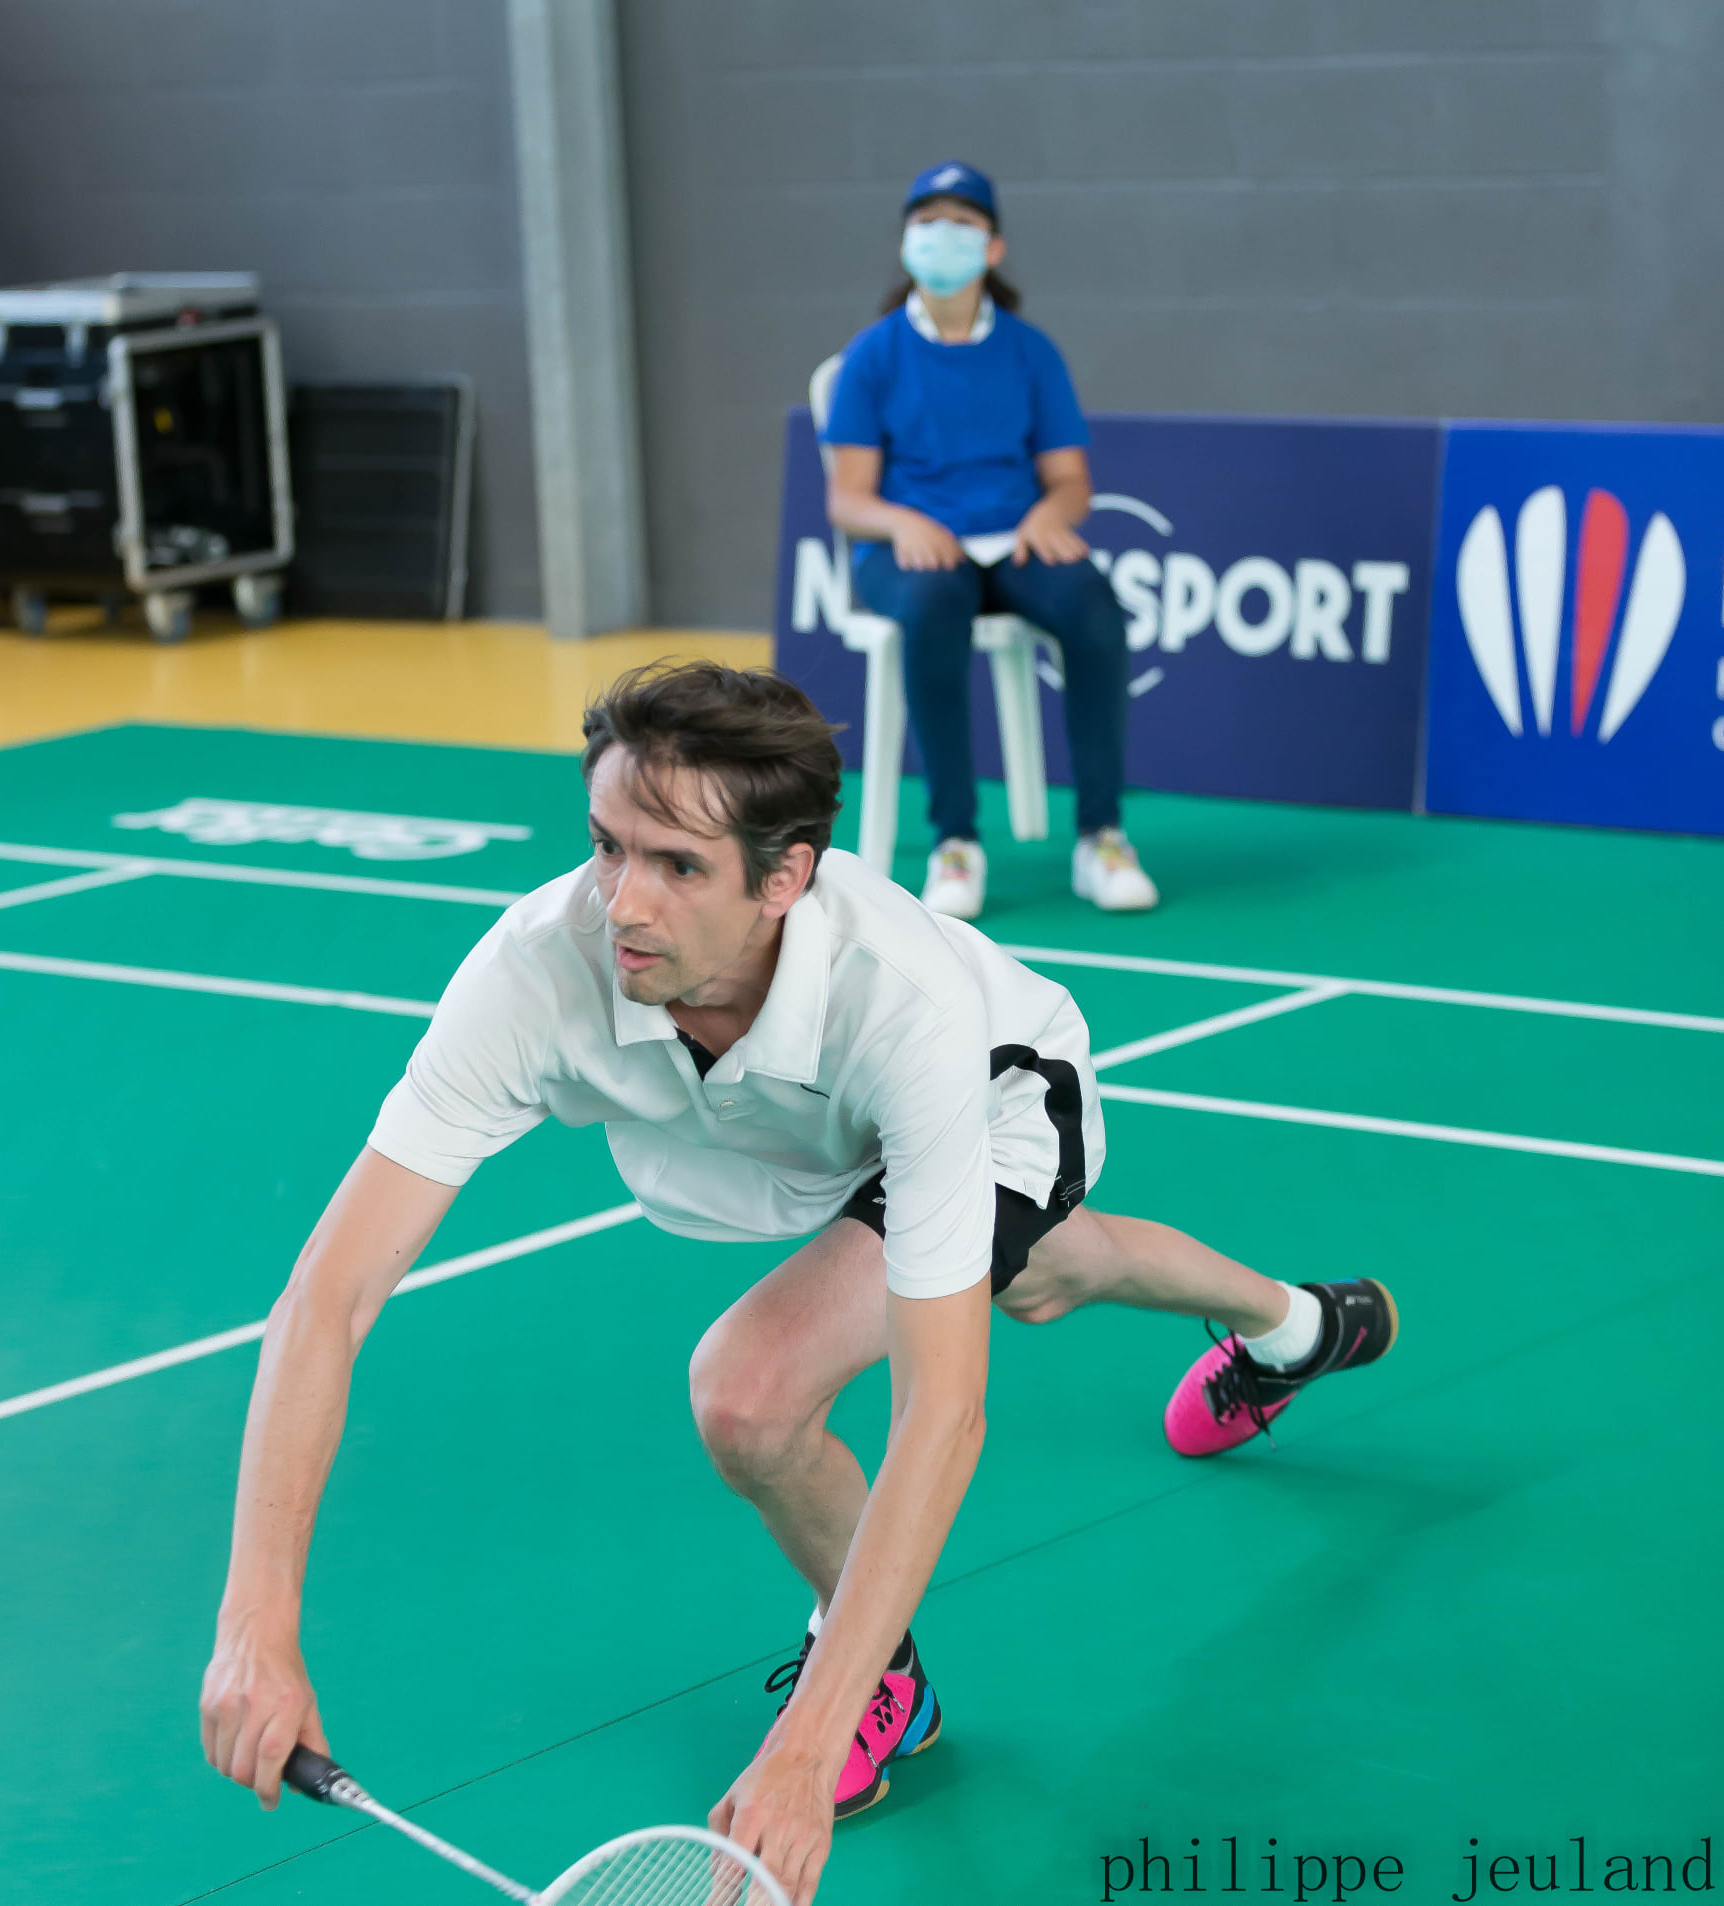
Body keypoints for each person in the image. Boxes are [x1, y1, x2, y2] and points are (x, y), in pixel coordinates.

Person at [199, 663, 1397, 1906]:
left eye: (676, 863)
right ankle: (1299, 1326)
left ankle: (880, 1671)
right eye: (608, 845)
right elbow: (325, 1299)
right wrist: (255, 1625)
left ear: (785, 876)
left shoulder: (904, 1011)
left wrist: (812, 1736)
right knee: (1047, 1270)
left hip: (994, 1102)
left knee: (753, 1390)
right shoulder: (534, 969)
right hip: (790, 1137)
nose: (622, 901)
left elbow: (944, 1414)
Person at [822, 159, 1156, 923]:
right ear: (905, 242)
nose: (945, 238)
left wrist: (1051, 516)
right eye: (928, 223)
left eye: (964, 224)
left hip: (1013, 542)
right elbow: (847, 499)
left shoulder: (1031, 352)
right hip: (908, 554)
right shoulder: (874, 354)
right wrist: (905, 522)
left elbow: (1071, 480)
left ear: (994, 247)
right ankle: (956, 842)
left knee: (1092, 602)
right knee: (936, 603)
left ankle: (1102, 836)